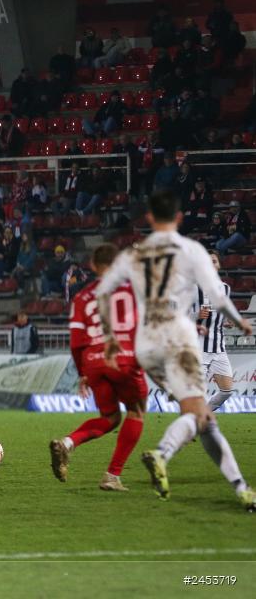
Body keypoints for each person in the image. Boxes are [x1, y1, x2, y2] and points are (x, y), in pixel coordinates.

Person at [95, 190, 255, 511]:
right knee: (198, 415)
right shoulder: (191, 250)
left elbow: (103, 292)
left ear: (149, 218)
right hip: (178, 340)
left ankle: (241, 488)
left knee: (204, 418)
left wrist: (111, 336)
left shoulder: (134, 254)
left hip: (145, 345)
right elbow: (218, 297)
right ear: (179, 217)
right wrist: (241, 322)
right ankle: (162, 453)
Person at [51, 243, 147, 491]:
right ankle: (112, 475)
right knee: (136, 411)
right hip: (123, 357)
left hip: (93, 362)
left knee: (110, 417)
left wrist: (83, 373)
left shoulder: (82, 297)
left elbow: (76, 342)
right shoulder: (132, 289)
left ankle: (68, 443)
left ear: (93, 266)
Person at [194, 251, 235, 412]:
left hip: (218, 348)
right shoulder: (193, 288)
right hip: (198, 348)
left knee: (227, 391)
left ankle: (203, 413)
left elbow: (221, 313)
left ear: (219, 265)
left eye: (214, 261)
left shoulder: (225, 289)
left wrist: (227, 321)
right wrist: (195, 315)